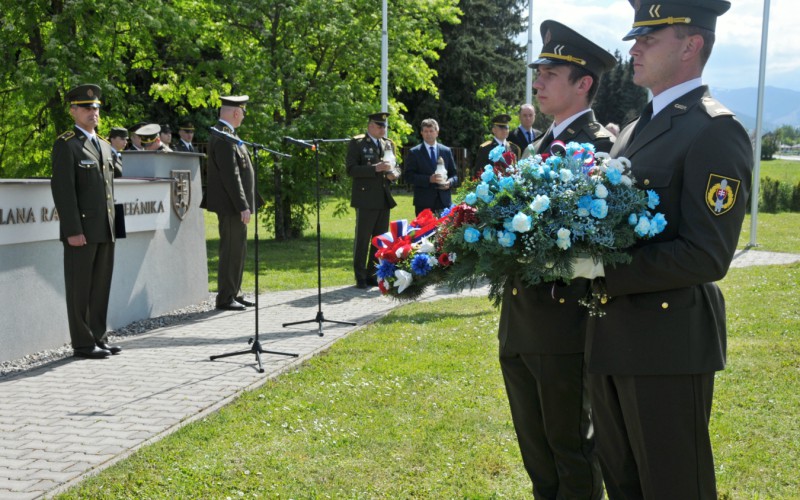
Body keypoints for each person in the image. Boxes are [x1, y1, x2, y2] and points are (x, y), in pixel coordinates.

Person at [576, 1, 753, 498]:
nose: (634, 48)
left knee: (675, 486)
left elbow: (707, 254)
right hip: (612, 337)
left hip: (668, 343)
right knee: (625, 484)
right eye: (636, 37)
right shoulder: (634, 129)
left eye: (649, 38)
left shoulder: (714, 129)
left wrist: (600, 269)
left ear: (691, 45)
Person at [497, 20, 616, 499]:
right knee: (537, 454)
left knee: (570, 450)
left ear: (583, 83)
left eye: (550, 72)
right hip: (520, 323)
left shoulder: (602, 149)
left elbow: (599, 243)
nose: (537, 81)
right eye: (537, 71)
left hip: (564, 327)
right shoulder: (536, 147)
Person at [50, 84, 123, 359]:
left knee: (100, 286)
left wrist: (114, 225)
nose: (93, 112)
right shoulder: (67, 145)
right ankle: (82, 344)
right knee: (80, 288)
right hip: (81, 230)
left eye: (96, 107)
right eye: (86, 107)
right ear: (73, 110)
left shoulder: (104, 145)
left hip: (105, 228)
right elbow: (63, 192)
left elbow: (108, 191)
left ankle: (98, 337)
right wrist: (72, 230)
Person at [206, 95, 261, 310]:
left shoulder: (228, 134)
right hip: (231, 207)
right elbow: (231, 176)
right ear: (237, 113)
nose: (243, 116)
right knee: (230, 250)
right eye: (243, 112)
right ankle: (226, 297)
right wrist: (242, 205)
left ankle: (234, 292)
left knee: (238, 250)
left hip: (234, 206)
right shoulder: (223, 137)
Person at [346, 112, 398, 289]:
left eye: (384, 126)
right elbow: (351, 169)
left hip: (383, 197)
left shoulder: (388, 144)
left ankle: (372, 274)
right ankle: (360, 276)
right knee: (363, 239)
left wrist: (394, 174)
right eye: (379, 125)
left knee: (379, 239)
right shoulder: (358, 143)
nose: (383, 129)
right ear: (370, 126)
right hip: (366, 198)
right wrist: (375, 169)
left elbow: (396, 167)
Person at [403, 118, 458, 216]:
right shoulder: (414, 152)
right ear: (421, 133)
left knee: (444, 231)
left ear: (437, 132)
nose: (428, 134)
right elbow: (408, 176)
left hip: (444, 202)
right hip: (424, 203)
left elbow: (454, 175)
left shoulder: (446, 151)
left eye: (431, 131)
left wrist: (449, 183)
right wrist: (429, 179)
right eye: (425, 131)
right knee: (425, 231)